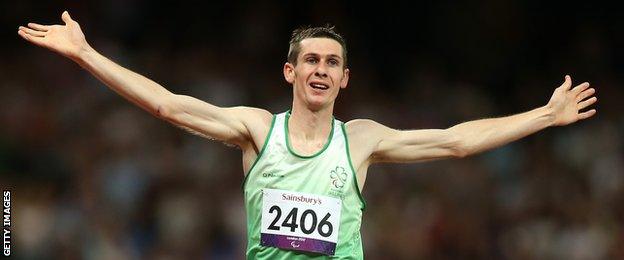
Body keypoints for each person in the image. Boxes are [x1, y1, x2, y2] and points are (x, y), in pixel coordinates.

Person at [18, 11, 598, 259]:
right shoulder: (255, 130)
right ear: (291, 72)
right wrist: (86, 53)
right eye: (311, 60)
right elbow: (169, 106)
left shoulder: (362, 140)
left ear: (345, 79)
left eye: (332, 62)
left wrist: (545, 116)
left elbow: (456, 141)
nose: (321, 69)